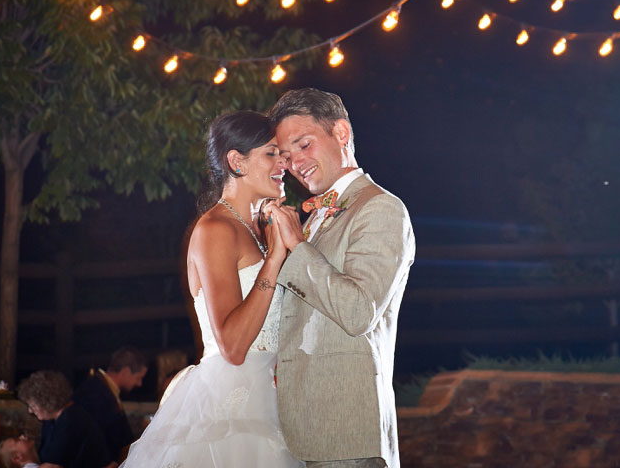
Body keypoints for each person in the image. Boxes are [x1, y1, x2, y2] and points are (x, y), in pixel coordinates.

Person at [120, 110, 300, 467]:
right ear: (237, 161)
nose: (284, 161)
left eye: (283, 153)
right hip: (232, 406)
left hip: (274, 396)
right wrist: (276, 258)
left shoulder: (259, 230)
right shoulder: (215, 229)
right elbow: (232, 346)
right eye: (271, 153)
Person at [266, 88, 415, 468]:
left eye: (304, 145)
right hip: (301, 429)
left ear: (342, 134)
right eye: (287, 155)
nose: (296, 162)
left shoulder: (382, 207)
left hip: (346, 434)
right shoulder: (314, 216)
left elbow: (357, 310)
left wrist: (298, 248)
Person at [16, 370, 112, 468]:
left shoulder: (71, 419)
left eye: (32, 406)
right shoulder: (52, 421)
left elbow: (52, 466)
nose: (30, 411)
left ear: (46, 401)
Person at [73, 346, 147, 463]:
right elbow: (92, 435)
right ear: (126, 372)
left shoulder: (105, 389)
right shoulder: (94, 392)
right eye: (138, 378)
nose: (139, 384)